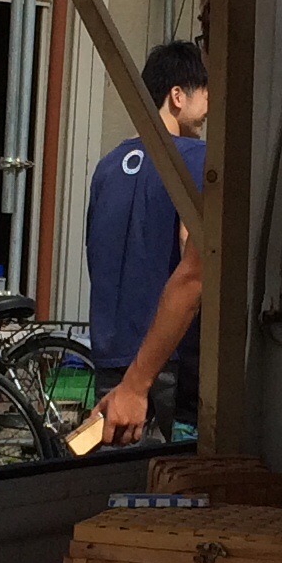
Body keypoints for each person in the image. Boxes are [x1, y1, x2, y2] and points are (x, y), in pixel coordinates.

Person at [87, 39, 210, 442]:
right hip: (165, 356)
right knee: (168, 473)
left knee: (118, 469)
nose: (209, 106)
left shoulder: (106, 168)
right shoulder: (196, 159)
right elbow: (192, 256)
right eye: (204, 92)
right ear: (177, 96)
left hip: (110, 350)